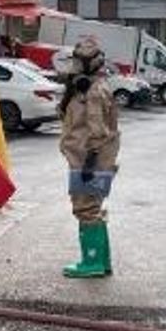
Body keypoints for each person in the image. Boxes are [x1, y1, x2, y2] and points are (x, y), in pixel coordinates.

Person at [57, 38, 120, 278]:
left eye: (76, 62)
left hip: (88, 160)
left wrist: (90, 163)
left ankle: (91, 263)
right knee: (93, 208)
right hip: (91, 159)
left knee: (85, 208)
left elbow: (98, 132)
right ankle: (101, 261)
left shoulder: (94, 92)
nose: (72, 67)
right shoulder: (92, 87)